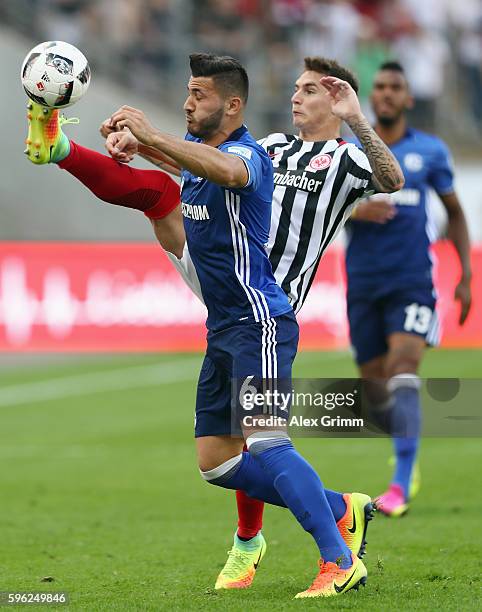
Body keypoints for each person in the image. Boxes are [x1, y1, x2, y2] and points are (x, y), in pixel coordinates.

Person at [24, 54, 403, 597]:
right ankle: (339, 508)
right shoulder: (270, 146)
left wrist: (357, 117)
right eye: (294, 87)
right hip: (226, 308)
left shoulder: (332, 160)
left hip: (266, 305)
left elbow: (386, 177)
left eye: (311, 90)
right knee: (218, 463)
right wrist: (146, 145)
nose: (296, 96)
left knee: (268, 442)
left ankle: (335, 560)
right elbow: (204, 164)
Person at [345, 61, 472, 517]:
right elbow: (320, 207)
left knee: (404, 368)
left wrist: (465, 276)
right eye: (379, 86)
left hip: (412, 281)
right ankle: (404, 446)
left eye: (395, 86)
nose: (386, 93)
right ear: (369, 97)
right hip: (362, 282)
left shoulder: (430, 153)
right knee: (375, 389)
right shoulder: (352, 152)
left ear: (408, 98)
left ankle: (401, 478)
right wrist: (356, 211)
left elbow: (455, 213)